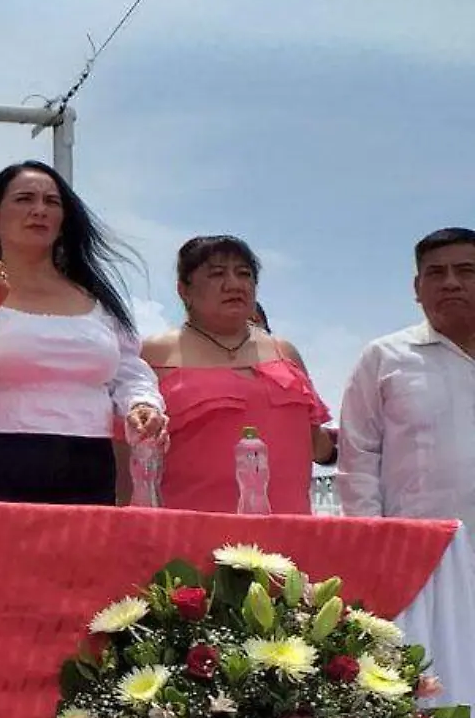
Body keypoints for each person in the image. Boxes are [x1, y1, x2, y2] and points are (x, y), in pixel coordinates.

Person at [0, 160, 164, 505]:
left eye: (51, 202)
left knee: (82, 559)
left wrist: (142, 404)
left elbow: (128, 370)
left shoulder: (98, 300)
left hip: (88, 458)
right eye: (24, 199)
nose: (39, 210)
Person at [140, 236, 334, 513]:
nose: (234, 284)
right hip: (189, 535)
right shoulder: (154, 354)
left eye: (244, 274)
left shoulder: (284, 352)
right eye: (217, 274)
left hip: (290, 531)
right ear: (183, 289)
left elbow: (318, 443)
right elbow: (127, 456)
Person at [337, 227, 475, 531]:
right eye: (436, 273)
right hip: (417, 555)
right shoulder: (384, 358)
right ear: (417, 287)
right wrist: (373, 539)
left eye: (466, 271)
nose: (451, 283)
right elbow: (358, 460)